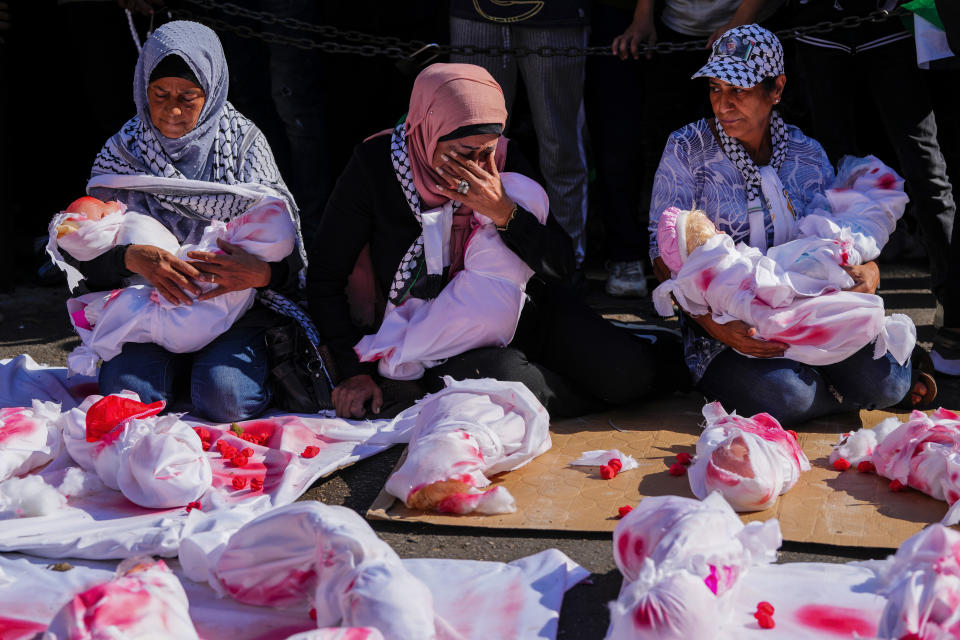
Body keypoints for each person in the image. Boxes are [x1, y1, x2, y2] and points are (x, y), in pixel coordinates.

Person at [308, 62, 686, 420]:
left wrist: (504, 211)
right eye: (462, 154)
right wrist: (352, 371)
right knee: (502, 378)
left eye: (485, 152)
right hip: (431, 340)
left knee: (628, 375)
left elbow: (561, 264)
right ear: (427, 128)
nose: (477, 169)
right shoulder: (375, 167)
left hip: (523, 309)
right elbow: (326, 277)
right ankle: (536, 390)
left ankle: (626, 362)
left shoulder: (505, 157)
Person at [649, 24, 925, 425]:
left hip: (814, 315)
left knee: (889, 383)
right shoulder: (688, 148)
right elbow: (662, 255)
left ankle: (828, 387)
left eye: (738, 91)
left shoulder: (806, 153)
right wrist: (717, 328)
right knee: (788, 395)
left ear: (775, 89)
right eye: (714, 89)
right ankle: (830, 392)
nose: (722, 104)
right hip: (729, 327)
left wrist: (869, 268)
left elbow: (839, 233)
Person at [59, 21, 308, 423]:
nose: (172, 111)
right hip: (148, 309)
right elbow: (83, 258)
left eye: (189, 98)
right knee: (130, 400)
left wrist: (260, 273)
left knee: (225, 399)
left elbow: (288, 250)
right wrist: (129, 259)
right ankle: (179, 364)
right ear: (143, 90)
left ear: (212, 93)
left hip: (235, 310)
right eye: (159, 95)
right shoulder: (123, 151)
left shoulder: (243, 146)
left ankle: (205, 366)